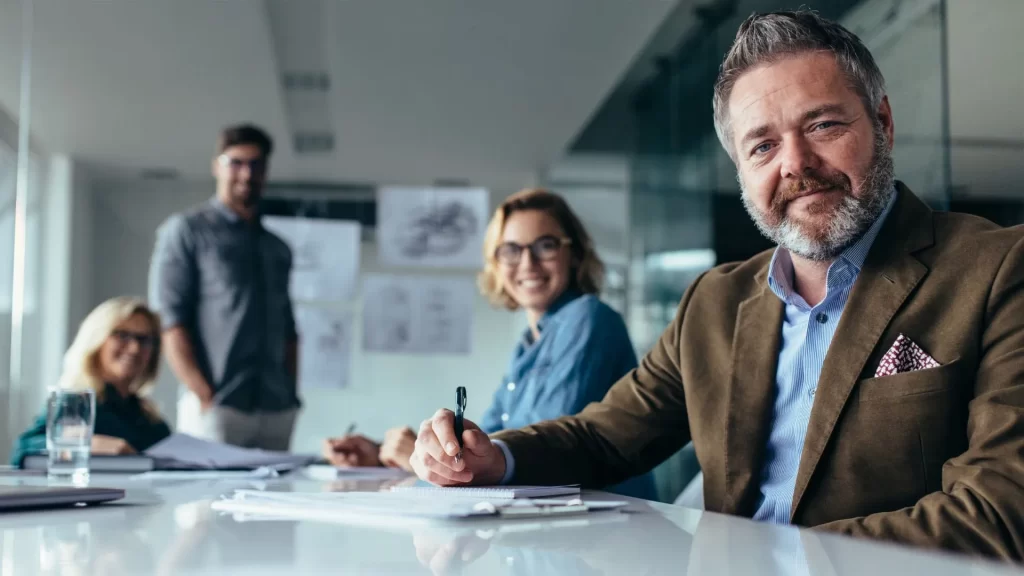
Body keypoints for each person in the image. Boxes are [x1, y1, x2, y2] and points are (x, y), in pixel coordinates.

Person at [407, 10, 1024, 560]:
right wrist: (496, 457)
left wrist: (777, 562)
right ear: (740, 169)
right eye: (762, 146)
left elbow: (1001, 512)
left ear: (882, 123)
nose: (795, 164)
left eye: (824, 125)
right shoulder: (713, 302)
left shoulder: (996, 268)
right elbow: (604, 436)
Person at [324, 189, 656, 499]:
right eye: (511, 250)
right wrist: (394, 453)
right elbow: (490, 442)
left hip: (608, 532)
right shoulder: (528, 342)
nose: (527, 263)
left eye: (546, 245)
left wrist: (432, 456)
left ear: (574, 254)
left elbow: (543, 449)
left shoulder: (587, 318)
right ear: (496, 263)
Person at [149, 124, 300, 450]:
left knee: (277, 500)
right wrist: (204, 394)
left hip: (277, 407)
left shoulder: (278, 247)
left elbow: (289, 328)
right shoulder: (186, 231)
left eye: (256, 165)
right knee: (206, 502)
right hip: (219, 406)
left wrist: (292, 394)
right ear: (217, 166)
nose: (247, 174)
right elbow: (171, 320)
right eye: (236, 162)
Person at [11, 297, 170, 465]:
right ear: (97, 339)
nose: (135, 348)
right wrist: (84, 444)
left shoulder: (150, 419)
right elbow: (23, 449)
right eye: (122, 335)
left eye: (144, 339)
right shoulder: (74, 403)